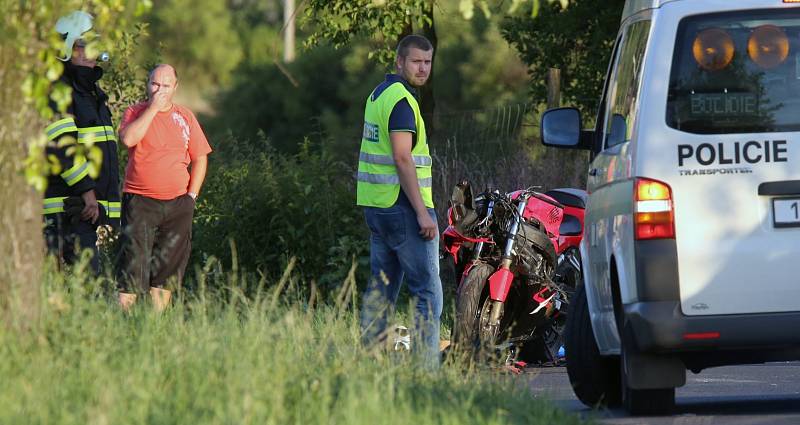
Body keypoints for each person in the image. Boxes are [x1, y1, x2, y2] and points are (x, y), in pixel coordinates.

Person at [357, 34, 442, 368]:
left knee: (382, 291)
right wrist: (423, 213)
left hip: (378, 207)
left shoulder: (378, 95)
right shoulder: (403, 102)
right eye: (416, 62)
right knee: (427, 292)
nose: (422, 69)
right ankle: (426, 371)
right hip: (404, 210)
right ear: (399, 62)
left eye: (428, 62)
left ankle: (372, 363)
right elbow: (402, 158)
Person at [117, 64, 212, 311]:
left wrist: (191, 196)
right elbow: (128, 139)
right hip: (140, 202)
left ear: (175, 88)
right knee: (132, 267)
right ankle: (123, 324)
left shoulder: (185, 116)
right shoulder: (135, 112)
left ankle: (156, 328)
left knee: (166, 270)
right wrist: (153, 110)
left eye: (166, 85)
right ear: (147, 85)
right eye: (155, 84)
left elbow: (200, 157)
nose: (160, 90)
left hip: (178, 203)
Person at [43, 10, 121, 274]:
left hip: (85, 211)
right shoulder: (57, 89)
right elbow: (64, 145)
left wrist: (105, 209)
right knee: (86, 289)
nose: (91, 52)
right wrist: (88, 191)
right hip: (66, 209)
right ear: (66, 48)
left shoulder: (92, 93)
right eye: (84, 45)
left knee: (87, 288)